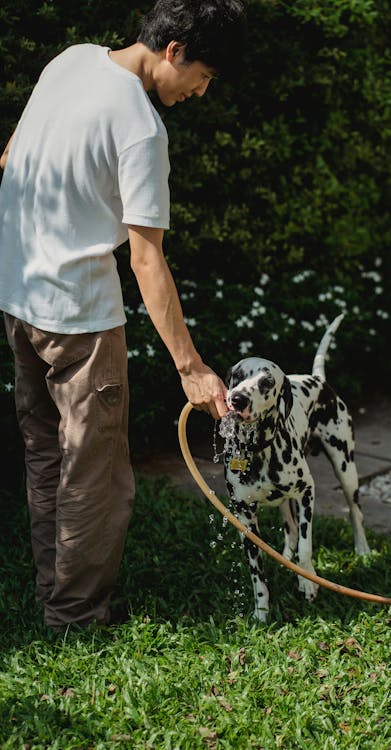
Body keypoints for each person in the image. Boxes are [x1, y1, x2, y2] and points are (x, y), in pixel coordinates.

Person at [0, 0, 246, 629]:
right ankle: (77, 614)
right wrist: (191, 368)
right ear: (174, 51)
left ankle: (54, 591)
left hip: (19, 296)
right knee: (96, 471)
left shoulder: (72, 60)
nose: (200, 91)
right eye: (205, 76)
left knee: (46, 452)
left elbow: (9, 161)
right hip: (79, 315)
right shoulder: (140, 126)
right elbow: (146, 259)